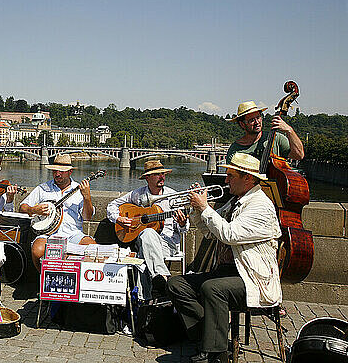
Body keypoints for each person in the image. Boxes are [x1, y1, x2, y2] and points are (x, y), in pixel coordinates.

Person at [167, 153, 282, 363]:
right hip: (230, 270)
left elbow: (230, 235)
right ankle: (207, 335)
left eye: (230, 175)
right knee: (177, 284)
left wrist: (204, 208)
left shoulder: (260, 205)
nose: (225, 180)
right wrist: (196, 211)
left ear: (247, 178)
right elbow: (211, 232)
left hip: (253, 278)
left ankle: (216, 355)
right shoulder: (236, 201)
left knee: (213, 288)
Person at [106, 160, 188, 301]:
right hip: (144, 241)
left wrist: (182, 222)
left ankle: (145, 300)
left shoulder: (174, 197)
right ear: (147, 178)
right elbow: (112, 205)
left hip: (167, 244)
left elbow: (184, 229)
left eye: (163, 174)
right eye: (157, 175)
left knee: (142, 259)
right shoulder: (138, 195)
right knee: (148, 234)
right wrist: (119, 219)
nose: (162, 177)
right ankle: (160, 280)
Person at [19, 154, 96, 271]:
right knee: (37, 250)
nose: (57, 174)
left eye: (61, 171)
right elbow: (22, 207)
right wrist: (33, 210)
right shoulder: (43, 188)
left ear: (70, 172)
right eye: (54, 171)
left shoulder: (79, 190)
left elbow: (87, 218)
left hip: (73, 234)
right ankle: (44, 278)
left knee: (93, 249)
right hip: (48, 234)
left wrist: (87, 197)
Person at [226, 101, 304, 163]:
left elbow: (299, 155)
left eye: (258, 117)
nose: (257, 122)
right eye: (252, 120)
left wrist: (289, 131)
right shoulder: (235, 149)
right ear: (242, 124)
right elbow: (232, 178)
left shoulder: (276, 138)